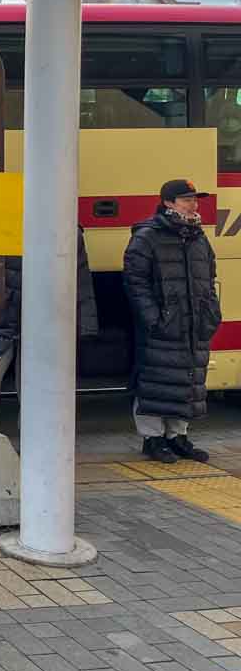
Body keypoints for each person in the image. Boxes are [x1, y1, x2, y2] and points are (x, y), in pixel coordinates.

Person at [0, 226, 98, 429]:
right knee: (31, 381)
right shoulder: (63, 224)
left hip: (1, 315)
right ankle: (33, 435)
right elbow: (81, 279)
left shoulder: (2, 222)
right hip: (37, 315)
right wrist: (87, 324)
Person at [124, 179, 221, 464]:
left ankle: (177, 436)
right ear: (168, 203)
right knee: (155, 380)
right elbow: (134, 281)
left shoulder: (197, 236)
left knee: (187, 380)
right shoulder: (147, 236)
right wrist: (153, 318)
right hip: (163, 325)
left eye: (195, 199)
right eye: (186, 199)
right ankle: (152, 438)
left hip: (194, 323)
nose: (194, 204)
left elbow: (210, 276)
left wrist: (211, 311)